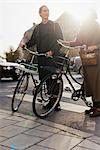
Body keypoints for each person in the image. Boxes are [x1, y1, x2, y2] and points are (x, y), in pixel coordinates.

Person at [19, 5, 64, 111]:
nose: (47, 12)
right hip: (41, 57)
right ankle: (50, 101)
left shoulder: (54, 25)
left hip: (53, 57)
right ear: (40, 13)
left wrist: (52, 51)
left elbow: (60, 40)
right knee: (45, 80)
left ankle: (56, 103)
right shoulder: (37, 28)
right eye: (44, 11)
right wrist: (25, 45)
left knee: (54, 80)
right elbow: (32, 41)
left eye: (48, 10)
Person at [62, 10, 100, 117]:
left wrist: (95, 46)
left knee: (96, 83)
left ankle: (99, 108)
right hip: (87, 58)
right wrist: (67, 42)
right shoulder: (84, 27)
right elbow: (78, 41)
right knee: (90, 83)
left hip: (97, 57)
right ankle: (94, 105)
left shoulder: (97, 26)